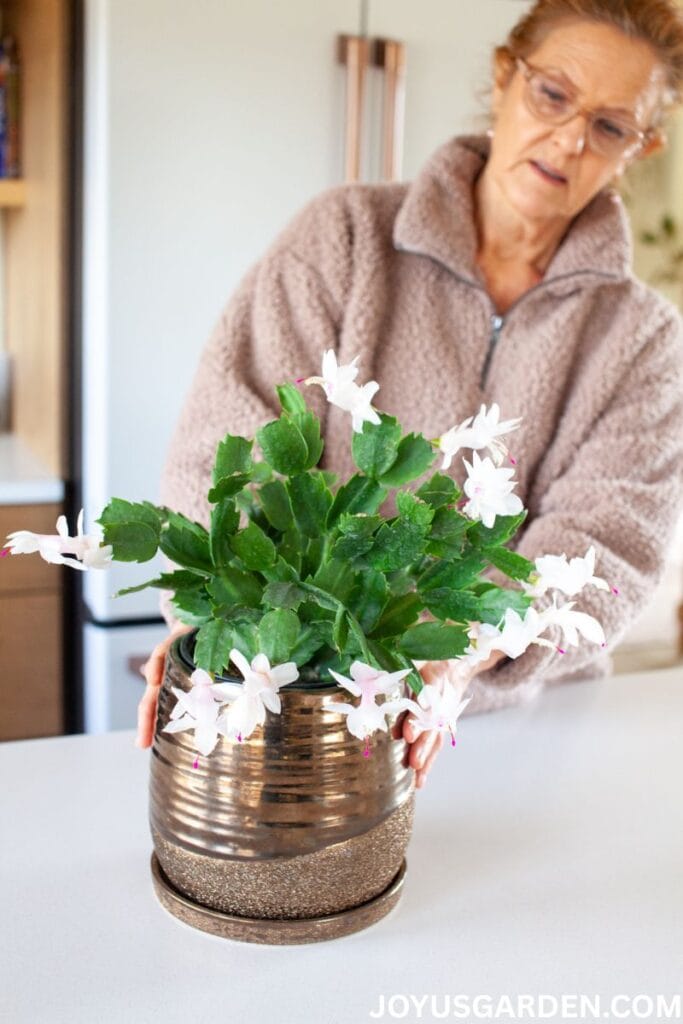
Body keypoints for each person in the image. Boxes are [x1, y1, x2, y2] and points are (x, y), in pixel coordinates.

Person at [137, 0, 683, 789]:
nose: (569, 139)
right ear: (504, 78)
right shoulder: (344, 237)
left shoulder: (642, 337)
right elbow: (230, 437)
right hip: (304, 701)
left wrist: (457, 654)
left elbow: (610, 534)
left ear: (642, 147)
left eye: (608, 127)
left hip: (524, 731)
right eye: (552, 96)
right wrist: (225, 620)